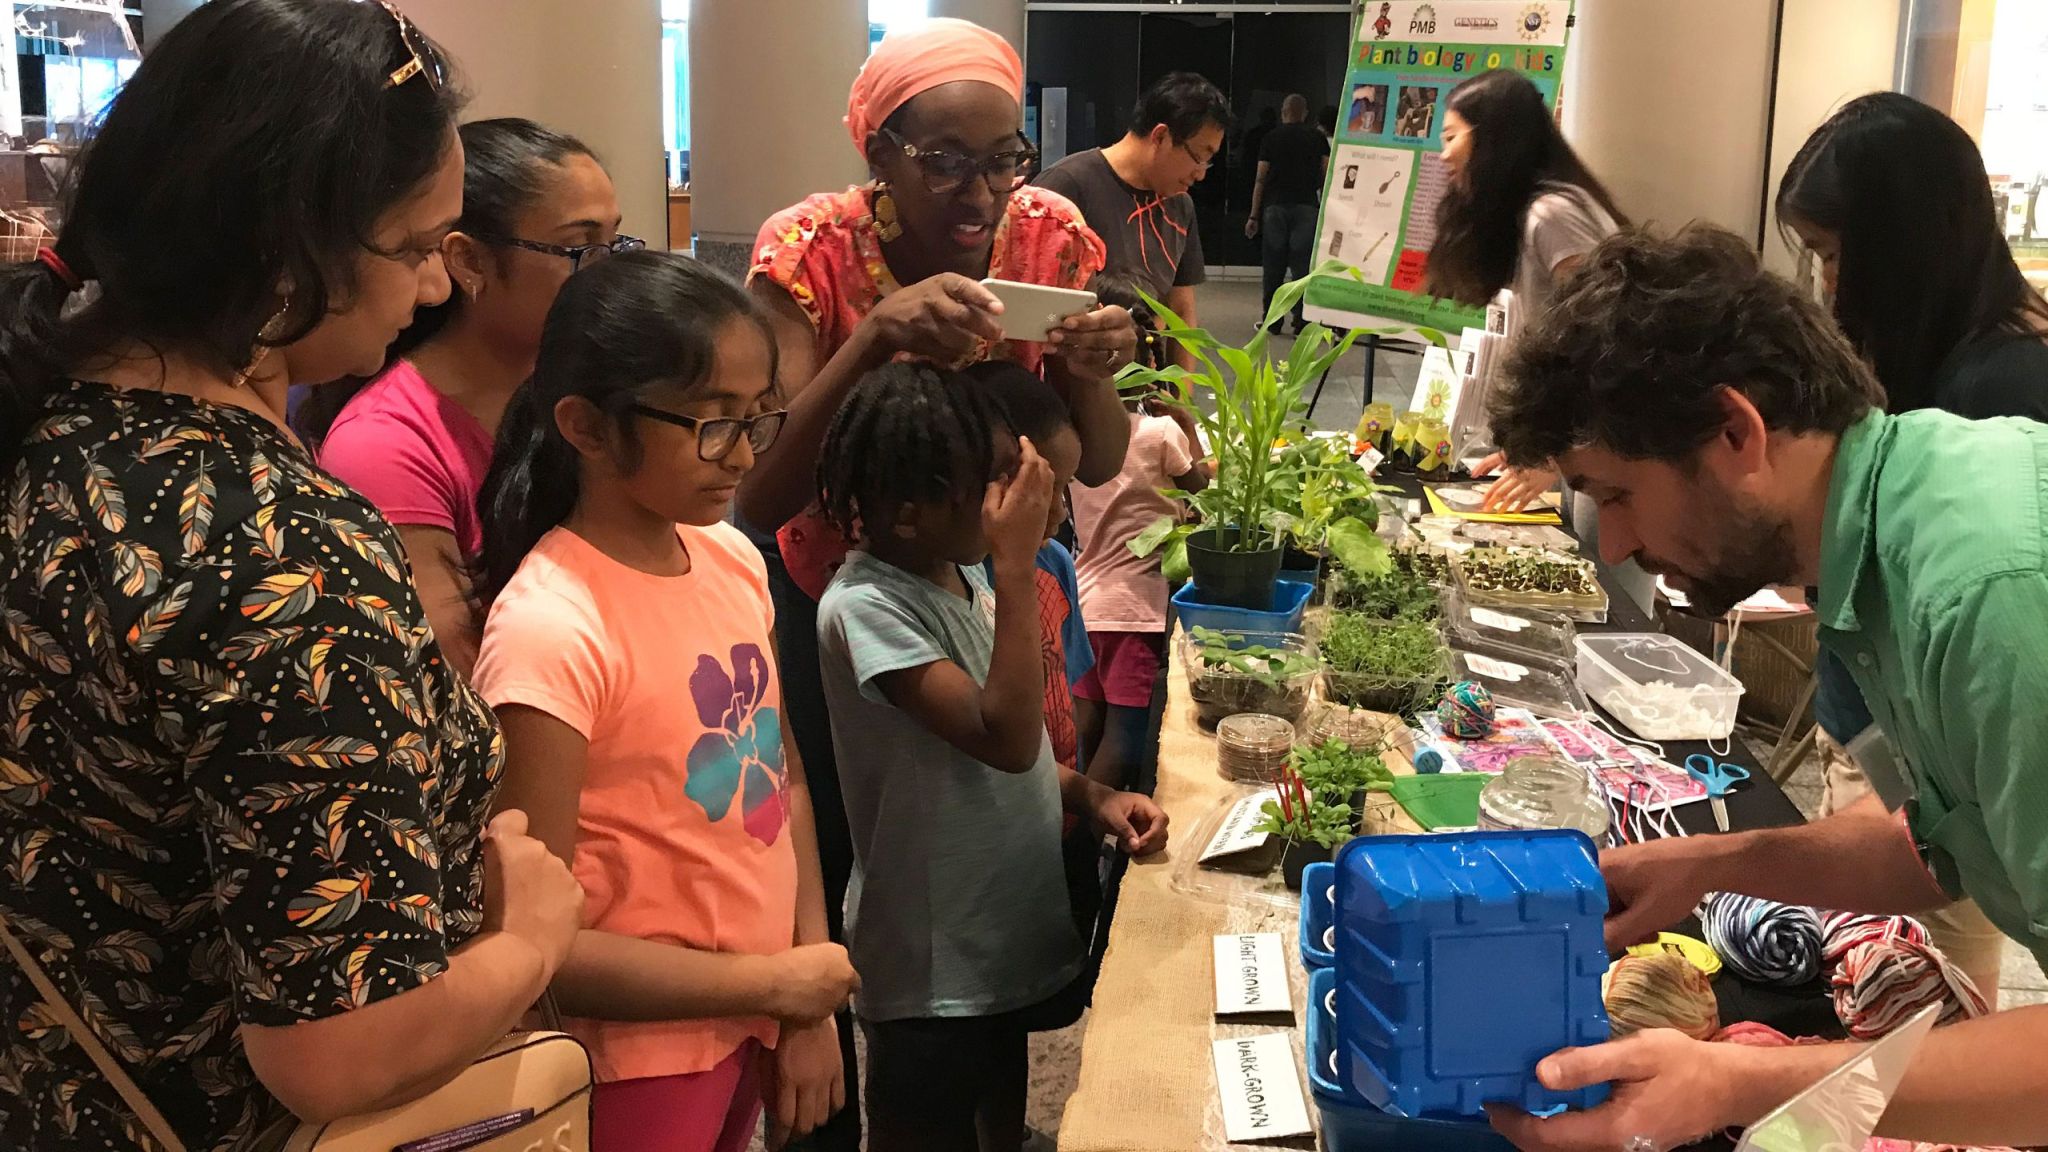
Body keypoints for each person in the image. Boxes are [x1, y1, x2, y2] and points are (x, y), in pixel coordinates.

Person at [0, 3, 585, 1148]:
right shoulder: (284, 549)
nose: (431, 290)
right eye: (417, 249)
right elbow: (333, 1047)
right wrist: (530, 941)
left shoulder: (49, 428)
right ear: (286, 249)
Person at [1481, 223, 2048, 1152]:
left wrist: (1738, 1082)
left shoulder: (1987, 592)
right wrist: (1709, 865)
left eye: (1614, 494)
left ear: (1736, 431)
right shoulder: (1888, 542)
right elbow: (1949, 843)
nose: (1613, 544)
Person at [738, 21, 1137, 1147]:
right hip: (842, 599)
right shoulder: (804, 250)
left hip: (991, 588)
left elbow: (1092, 458)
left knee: (989, 816)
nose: (982, 191)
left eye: (1004, 156)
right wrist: (869, 339)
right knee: (850, 848)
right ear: (881, 154)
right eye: (944, 161)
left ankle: (985, 1033)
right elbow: (755, 499)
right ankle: (829, 1099)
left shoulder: (1047, 232)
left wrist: (1089, 372)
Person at [472, 252, 853, 1152]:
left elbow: (783, 782)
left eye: (759, 417)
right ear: (588, 428)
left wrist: (804, 988)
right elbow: (535, 940)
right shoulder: (553, 628)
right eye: (714, 425)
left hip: (752, 1009)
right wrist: (774, 988)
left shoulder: (727, 557)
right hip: (633, 1055)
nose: (749, 455)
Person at [814, 363, 1166, 1152]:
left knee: (998, 1087)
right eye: (992, 486)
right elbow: (1003, 738)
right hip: (933, 960)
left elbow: (1021, 751)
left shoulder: (963, 571)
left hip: (996, 928)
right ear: (909, 515)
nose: (1016, 504)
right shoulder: (865, 608)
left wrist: (1089, 796)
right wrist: (1014, 566)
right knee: (927, 1118)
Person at [1775, 90, 2048, 1004]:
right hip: (1913, 765)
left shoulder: (2003, 386)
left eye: (1836, 256)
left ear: (1904, 249)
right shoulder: (1944, 359)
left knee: (1939, 990)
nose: (1826, 285)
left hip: (1963, 780)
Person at [303, 118, 631, 675]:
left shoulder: (597, 384)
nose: (608, 274)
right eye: (579, 248)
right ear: (469, 260)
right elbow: (453, 671)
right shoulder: (386, 441)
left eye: (614, 242)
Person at [1417, 71, 1624, 518]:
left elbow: (1607, 341)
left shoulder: (1552, 215)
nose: (1443, 155)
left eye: (1452, 137)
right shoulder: (1537, 214)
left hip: (1608, 452)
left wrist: (1557, 454)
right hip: (1589, 447)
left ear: (1493, 139)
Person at [1067, 271, 1208, 792]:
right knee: (1126, 737)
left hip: (1083, 606)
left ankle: (1069, 826)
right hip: (1136, 613)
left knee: (1086, 728)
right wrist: (1185, 419)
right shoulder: (1162, 432)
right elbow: (1200, 497)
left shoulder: (1076, 438)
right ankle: (1084, 836)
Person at [1035, 71, 1230, 362]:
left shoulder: (1180, 205)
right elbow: (1034, 302)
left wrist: (1179, 399)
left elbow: (1181, 311)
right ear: (1161, 136)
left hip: (1147, 384)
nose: (1200, 173)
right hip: (1078, 382)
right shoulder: (1066, 187)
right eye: (1200, 156)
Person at [1246, 94, 1330, 333]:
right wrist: (1325, 207)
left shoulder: (1271, 138)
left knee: (1273, 266)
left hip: (1275, 207)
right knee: (1302, 268)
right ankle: (1301, 321)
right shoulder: (1317, 138)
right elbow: (1326, 175)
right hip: (1306, 207)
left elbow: (1261, 178)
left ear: (1284, 112)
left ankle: (1271, 320)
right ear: (1305, 113)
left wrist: (1253, 214)